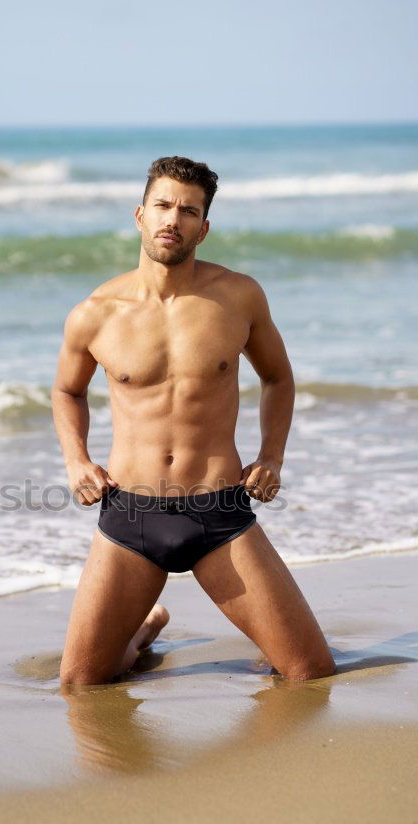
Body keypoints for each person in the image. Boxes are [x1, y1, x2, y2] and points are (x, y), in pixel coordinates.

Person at [52, 156, 336, 687]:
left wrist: (272, 455)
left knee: (310, 673)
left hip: (219, 513)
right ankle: (141, 629)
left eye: (188, 211)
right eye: (162, 205)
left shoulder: (237, 296)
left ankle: (148, 631)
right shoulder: (96, 312)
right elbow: (68, 390)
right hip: (131, 516)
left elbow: (278, 378)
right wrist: (76, 461)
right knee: (79, 685)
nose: (172, 220)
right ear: (139, 215)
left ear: (203, 228)